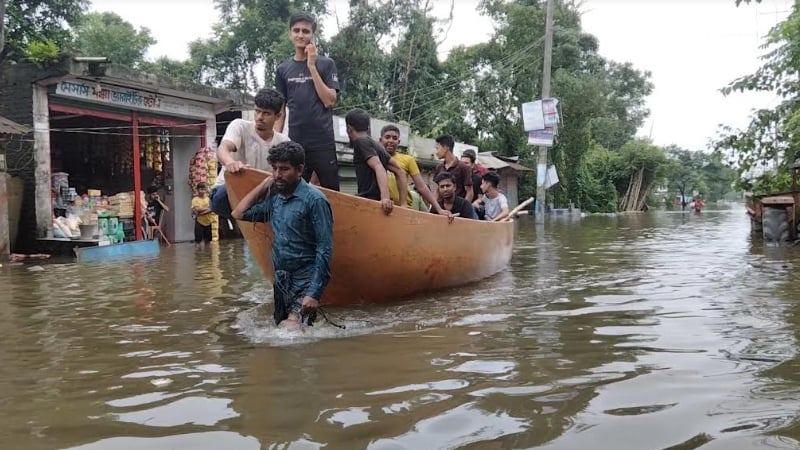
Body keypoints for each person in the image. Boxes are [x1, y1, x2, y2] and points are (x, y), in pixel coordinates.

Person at [231, 141, 333, 329]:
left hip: (306, 278)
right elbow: (238, 213)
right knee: (279, 325)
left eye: (284, 169)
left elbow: (325, 248)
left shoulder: (315, 200)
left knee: (290, 328)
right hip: (281, 278)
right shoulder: (277, 200)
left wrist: (314, 293)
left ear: (300, 169)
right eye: (274, 169)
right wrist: (264, 185)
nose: (278, 174)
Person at [274, 12, 340, 191]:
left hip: (323, 141)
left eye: (305, 31)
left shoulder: (326, 64)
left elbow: (329, 100)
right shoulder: (282, 69)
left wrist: (311, 65)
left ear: (312, 35)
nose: (301, 35)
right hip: (296, 143)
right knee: (292, 193)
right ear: (290, 34)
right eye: (296, 30)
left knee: (332, 193)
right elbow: (280, 111)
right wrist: (275, 141)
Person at [210, 88, 290, 218]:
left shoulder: (283, 142)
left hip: (260, 196)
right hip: (228, 193)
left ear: (278, 116)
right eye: (257, 111)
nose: (260, 117)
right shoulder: (240, 126)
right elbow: (223, 148)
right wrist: (230, 162)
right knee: (220, 197)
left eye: (266, 113)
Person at [380, 124, 453, 220]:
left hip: (404, 210)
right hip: (382, 208)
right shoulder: (375, 159)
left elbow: (421, 186)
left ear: (399, 142)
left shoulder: (408, 160)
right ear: (380, 140)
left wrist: (439, 209)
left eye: (394, 138)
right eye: (387, 137)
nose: (391, 141)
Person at [344, 109, 408, 215]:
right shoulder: (376, 145)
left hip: (371, 203)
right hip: (376, 202)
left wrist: (385, 198)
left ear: (349, 129)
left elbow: (378, 166)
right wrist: (403, 204)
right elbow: (400, 171)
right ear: (368, 128)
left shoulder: (361, 142)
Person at [432, 135, 473, 201]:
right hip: (442, 209)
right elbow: (436, 190)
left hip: (458, 208)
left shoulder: (463, 167)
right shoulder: (439, 167)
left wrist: (463, 209)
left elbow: (469, 192)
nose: (436, 152)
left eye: (437, 148)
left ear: (445, 148)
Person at [191, 183, 214, 249]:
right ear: (197, 190)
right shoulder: (195, 200)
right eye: (201, 189)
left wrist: (201, 212)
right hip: (199, 222)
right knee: (198, 241)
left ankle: (208, 255)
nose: (202, 191)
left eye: (204, 189)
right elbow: (197, 210)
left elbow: (212, 209)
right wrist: (207, 208)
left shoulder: (208, 199)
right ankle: (199, 256)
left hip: (208, 221)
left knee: (209, 241)